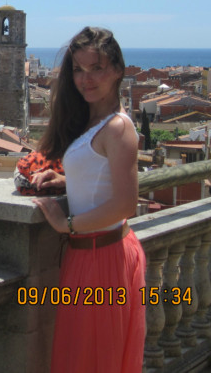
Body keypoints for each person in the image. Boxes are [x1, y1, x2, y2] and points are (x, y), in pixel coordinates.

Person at [32, 26, 146, 373]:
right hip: (91, 254)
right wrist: (66, 180)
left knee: (92, 359)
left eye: (96, 68)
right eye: (78, 69)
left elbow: (125, 204)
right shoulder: (94, 120)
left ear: (118, 70)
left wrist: (65, 223)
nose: (86, 78)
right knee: (85, 356)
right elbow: (102, 178)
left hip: (103, 256)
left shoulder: (118, 128)